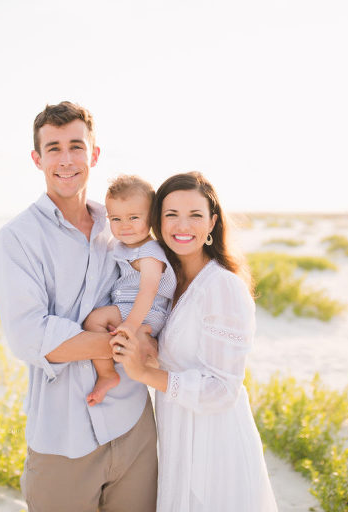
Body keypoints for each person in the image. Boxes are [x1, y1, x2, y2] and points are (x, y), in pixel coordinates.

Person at [0, 101, 158, 512]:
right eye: (54, 148)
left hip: (133, 423)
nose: (66, 160)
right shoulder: (16, 239)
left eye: (76, 146)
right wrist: (129, 346)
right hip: (63, 437)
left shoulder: (119, 227)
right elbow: (32, 339)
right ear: (37, 158)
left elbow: (153, 289)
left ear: (94, 154)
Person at [111, 172, 278, 511]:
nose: (181, 225)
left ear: (213, 222)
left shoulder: (222, 286)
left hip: (215, 445)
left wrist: (145, 374)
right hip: (178, 436)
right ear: (158, 221)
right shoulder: (168, 282)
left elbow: (222, 389)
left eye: (195, 215)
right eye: (171, 214)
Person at [82, 174, 176, 406]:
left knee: (94, 321)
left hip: (146, 310)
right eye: (116, 218)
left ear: (152, 217)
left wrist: (131, 325)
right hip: (135, 310)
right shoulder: (123, 246)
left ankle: (107, 374)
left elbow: (148, 291)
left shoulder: (150, 253)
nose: (124, 226)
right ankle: (145, 346)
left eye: (134, 217)